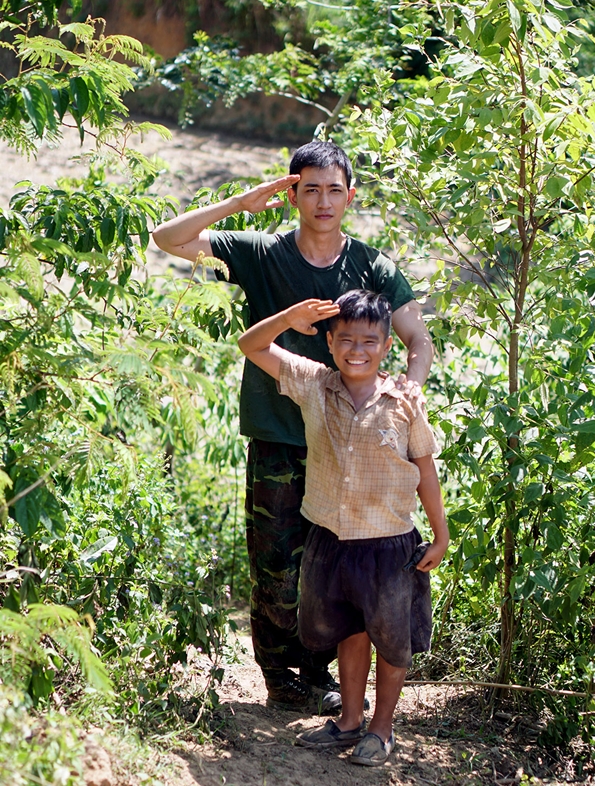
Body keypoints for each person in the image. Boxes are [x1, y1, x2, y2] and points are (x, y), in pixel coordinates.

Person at [152, 141, 434, 712]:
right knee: (277, 563)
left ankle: (321, 678)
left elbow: (418, 340)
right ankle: (282, 680)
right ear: (293, 193)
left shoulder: (371, 265)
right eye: (310, 188)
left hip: (351, 445)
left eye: (334, 189)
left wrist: (411, 385)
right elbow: (168, 238)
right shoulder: (261, 252)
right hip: (279, 433)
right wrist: (241, 202)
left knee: (334, 564)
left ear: (350, 196)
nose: (323, 201)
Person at [238, 290, 449, 766]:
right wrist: (291, 317)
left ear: (387, 347)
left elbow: (426, 471)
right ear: (329, 343)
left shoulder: (404, 402)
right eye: (347, 339)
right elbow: (251, 345)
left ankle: (382, 730)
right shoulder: (315, 384)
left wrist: (441, 534)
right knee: (350, 631)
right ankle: (350, 721)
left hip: (390, 545)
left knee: (391, 640)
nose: (358, 349)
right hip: (331, 539)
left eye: (370, 340)